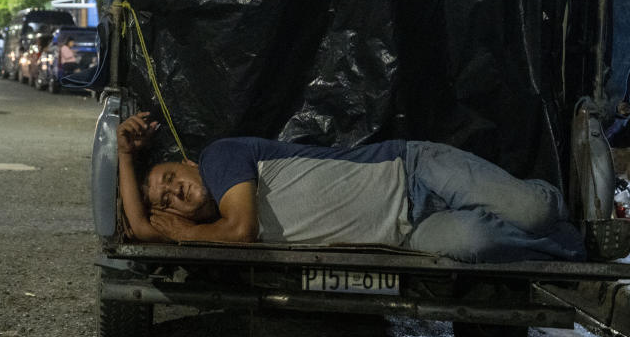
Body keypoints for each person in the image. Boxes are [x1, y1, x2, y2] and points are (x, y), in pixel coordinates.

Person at [117, 112, 586, 263]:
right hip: (406, 232)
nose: (173, 193)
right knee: (478, 242)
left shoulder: (221, 157)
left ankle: (559, 201)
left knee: (533, 211)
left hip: (412, 168)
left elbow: (240, 231)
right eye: (165, 201)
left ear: (187, 161)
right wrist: (123, 155)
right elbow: (138, 228)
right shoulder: (210, 226)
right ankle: (576, 245)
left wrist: (181, 235)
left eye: (171, 179)